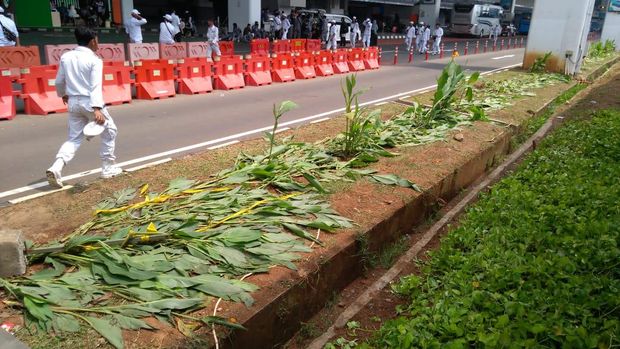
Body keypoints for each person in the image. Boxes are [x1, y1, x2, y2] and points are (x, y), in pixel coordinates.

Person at [47, 26, 122, 188]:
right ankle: (108, 168)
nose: (98, 43)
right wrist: (96, 108)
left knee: (74, 138)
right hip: (90, 102)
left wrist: (63, 94)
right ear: (92, 41)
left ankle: (57, 167)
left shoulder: (66, 57)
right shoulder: (94, 60)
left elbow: (59, 81)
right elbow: (95, 86)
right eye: (97, 40)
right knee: (110, 131)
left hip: (73, 102)